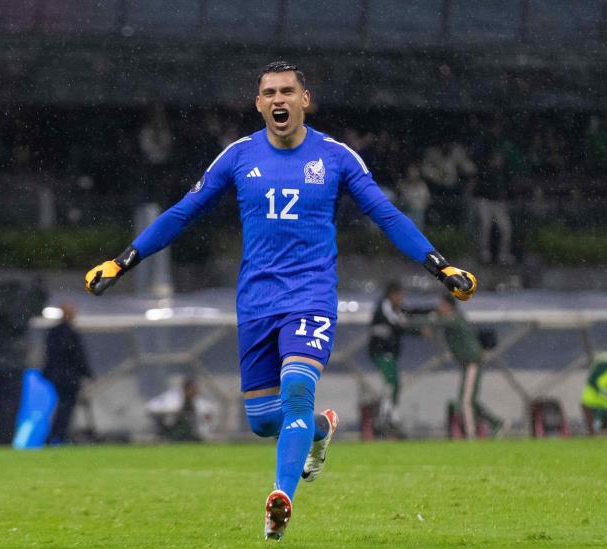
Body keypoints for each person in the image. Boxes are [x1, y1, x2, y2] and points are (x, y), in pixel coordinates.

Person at [84, 61, 477, 541]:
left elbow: (388, 215)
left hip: (310, 298)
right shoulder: (237, 156)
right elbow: (183, 213)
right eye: (269, 92)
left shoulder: (335, 157)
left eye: (287, 91)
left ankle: (280, 499)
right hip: (255, 304)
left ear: (305, 99)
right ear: (258, 104)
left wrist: (441, 265)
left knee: (296, 388)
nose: (278, 100)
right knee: (264, 420)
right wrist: (123, 261)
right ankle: (318, 430)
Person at [0, 278, 47, 445]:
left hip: (0, 364)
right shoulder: (20, 313)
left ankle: (0, 438)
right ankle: (5, 438)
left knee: (0, 402)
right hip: (14, 365)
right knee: (11, 403)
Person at [367, 280, 431, 437]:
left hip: (390, 353)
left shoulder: (395, 309)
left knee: (394, 382)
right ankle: (385, 417)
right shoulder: (385, 308)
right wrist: (418, 331)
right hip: (381, 352)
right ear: (392, 295)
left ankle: (390, 415)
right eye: (399, 295)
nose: (401, 298)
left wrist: (431, 310)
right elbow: (397, 325)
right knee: (391, 381)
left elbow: (410, 312)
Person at [435, 294, 502, 440]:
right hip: (468, 364)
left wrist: (408, 320)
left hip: (473, 362)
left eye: (441, 305)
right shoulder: (454, 319)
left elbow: (435, 322)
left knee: (466, 401)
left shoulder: (453, 318)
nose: (439, 308)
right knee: (468, 400)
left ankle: (471, 434)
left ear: (448, 306)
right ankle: (496, 423)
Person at [42, 303, 93, 445]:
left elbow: (50, 356)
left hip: (58, 377)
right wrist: (87, 373)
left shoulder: (54, 332)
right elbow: (77, 356)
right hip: (69, 377)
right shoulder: (69, 333)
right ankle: (59, 435)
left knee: (63, 406)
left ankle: (56, 435)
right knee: (66, 408)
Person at [145, 377, 218, 442]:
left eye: (195, 389)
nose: (194, 392)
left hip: (191, 431)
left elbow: (209, 411)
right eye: (191, 389)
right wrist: (170, 412)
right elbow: (150, 408)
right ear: (185, 389)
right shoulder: (171, 398)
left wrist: (206, 417)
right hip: (171, 428)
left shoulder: (198, 401)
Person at [580, 352, 607, 436]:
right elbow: (593, 381)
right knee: (596, 432)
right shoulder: (603, 364)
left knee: (597, 432)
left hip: (597, 404)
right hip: (593, 405)